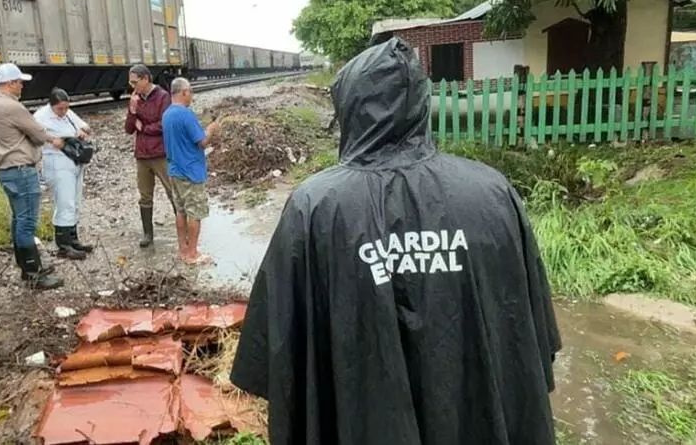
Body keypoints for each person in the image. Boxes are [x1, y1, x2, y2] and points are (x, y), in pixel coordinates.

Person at [230, 37, 563, 444]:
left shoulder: (315, 207)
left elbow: (274, 351)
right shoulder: (492, 193)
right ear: (421, 104)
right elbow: (531, 338)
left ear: (350, 107)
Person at [0, 63, 65, 290]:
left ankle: (26, 266)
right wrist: (54, 140)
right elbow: (38, 135)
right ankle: (33, 273)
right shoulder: (12, 106)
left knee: (18, 219)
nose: (22, 86)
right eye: (20, 82)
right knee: (27, 222)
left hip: (6, 170)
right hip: (21, 169)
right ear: (10, 83)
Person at [161, 77, 220, 264]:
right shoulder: (186, 115)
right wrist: (211, 129)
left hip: (174, 170)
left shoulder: (167, 114)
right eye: (191, 92)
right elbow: (202, 142)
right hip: (191, 172)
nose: (192, 95)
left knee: (181, 211)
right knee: (195, 213)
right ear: (184, 92)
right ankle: (193, 254)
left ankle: (183, 250)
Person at [33, 88, 94, 260]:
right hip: (56, 161)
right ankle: (63, 244)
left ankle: (73, 238)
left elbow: (85, 126)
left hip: (73, 158)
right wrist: (52, 139)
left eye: (66, 108)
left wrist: (82, 131)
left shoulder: (68, 113)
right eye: (60, 109)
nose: (63, 111)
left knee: (75, 200)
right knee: (64, 201)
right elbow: (34, 134)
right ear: (51, 105)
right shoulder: (41, 116)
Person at [124, 64, 175, 248]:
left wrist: (144, 128)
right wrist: (132, 111)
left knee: (172, 191)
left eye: (135, 82)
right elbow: (129, 129)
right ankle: (148, 234)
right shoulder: (135, 99)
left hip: (160, 153)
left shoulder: (163, 96)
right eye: (131, 83)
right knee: (145, 195)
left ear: (145, 79)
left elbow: (164, 124)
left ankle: (183, 227)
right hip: (142, 154)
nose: (132, 86)